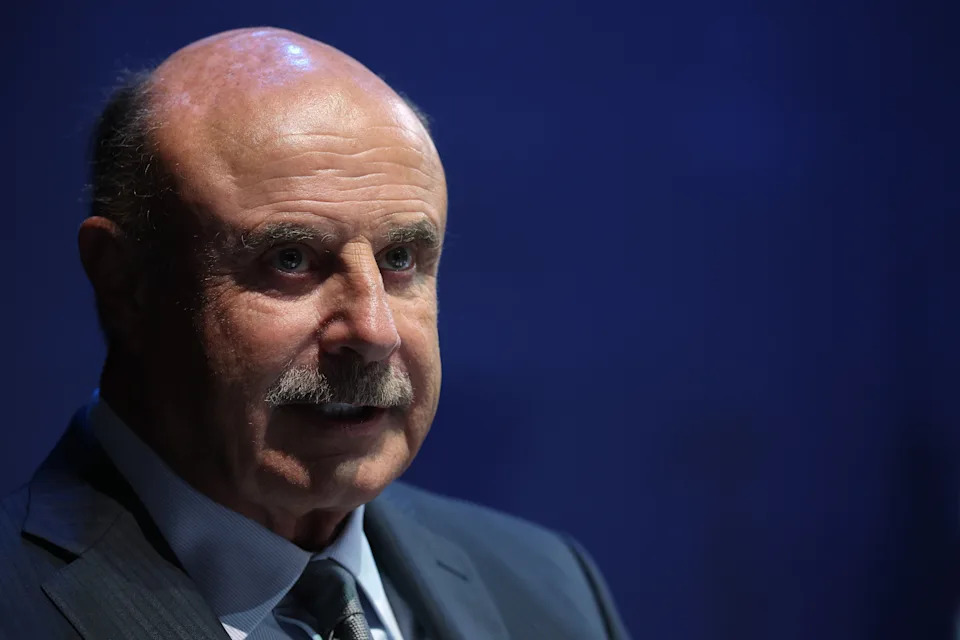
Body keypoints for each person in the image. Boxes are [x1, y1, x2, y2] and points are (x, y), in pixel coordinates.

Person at [0, 27, 628, 640]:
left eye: (401, 257)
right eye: (291, 258)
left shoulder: (549, 586)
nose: (374, 332)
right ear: (125, 283)